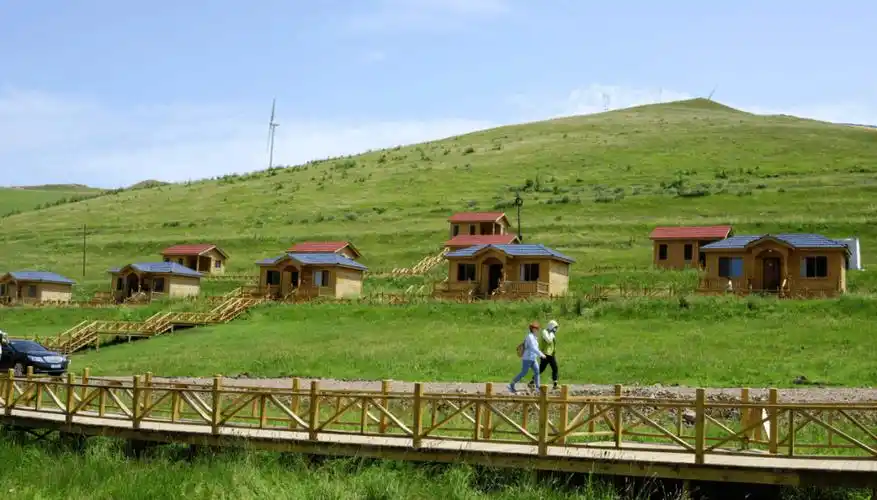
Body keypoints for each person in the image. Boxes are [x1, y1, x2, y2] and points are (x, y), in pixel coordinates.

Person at [508, 321, 545, 394]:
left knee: (537, 371)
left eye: (538, 328)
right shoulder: (530, 337)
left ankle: (537, 388)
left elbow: (536, 348)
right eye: (537, 328)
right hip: (527, 358)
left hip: (533, 358)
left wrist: (540, 353)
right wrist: (541, 355)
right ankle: (512, 384)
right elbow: (533, 348)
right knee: (523, 372)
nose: (538, 330)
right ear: (533, 329)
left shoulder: (534, 337)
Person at [529, 320, 559, 390]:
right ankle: (532, 382)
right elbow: (549, 340)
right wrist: (552, 333)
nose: (556, 329)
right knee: (541, 369)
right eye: (555, 327)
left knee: (555, 368)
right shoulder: (545, 332)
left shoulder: (551, 333)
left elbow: (552, 345)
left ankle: (555, 384)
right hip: (545, 354)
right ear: (552, 326)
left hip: (551, 354)